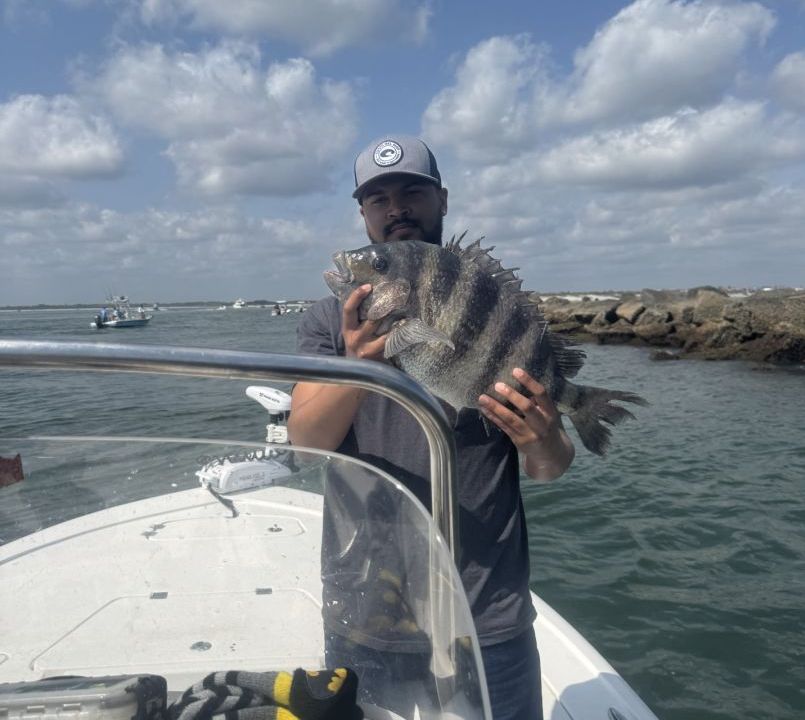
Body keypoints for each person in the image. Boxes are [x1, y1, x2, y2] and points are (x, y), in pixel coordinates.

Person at [289, 135, 575, 719]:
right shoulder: (327, 320)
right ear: (364, 213)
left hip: (486, 604)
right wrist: (359, 365)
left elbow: (549, 468)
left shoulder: (498, 304)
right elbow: (306, 443)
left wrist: (541, 436)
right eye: (379, 199)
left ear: (441, 200)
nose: (397, 208)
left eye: (412, 192)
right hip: (368, 600)